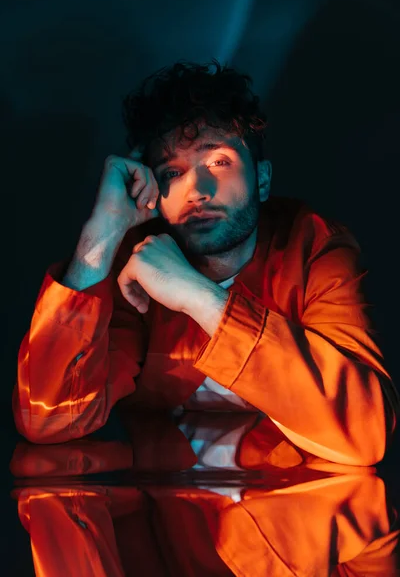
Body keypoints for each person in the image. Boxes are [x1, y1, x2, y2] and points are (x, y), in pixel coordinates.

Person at [12, 60, 399, 465]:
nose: (196, 189)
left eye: (218, 162)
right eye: (172, 172)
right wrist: (101, 236)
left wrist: (200, 297)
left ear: (262, 180)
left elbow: (364, 433)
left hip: (293, 510)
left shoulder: (314, 249)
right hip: (169, 508)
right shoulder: (137, 263)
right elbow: (48, 419)